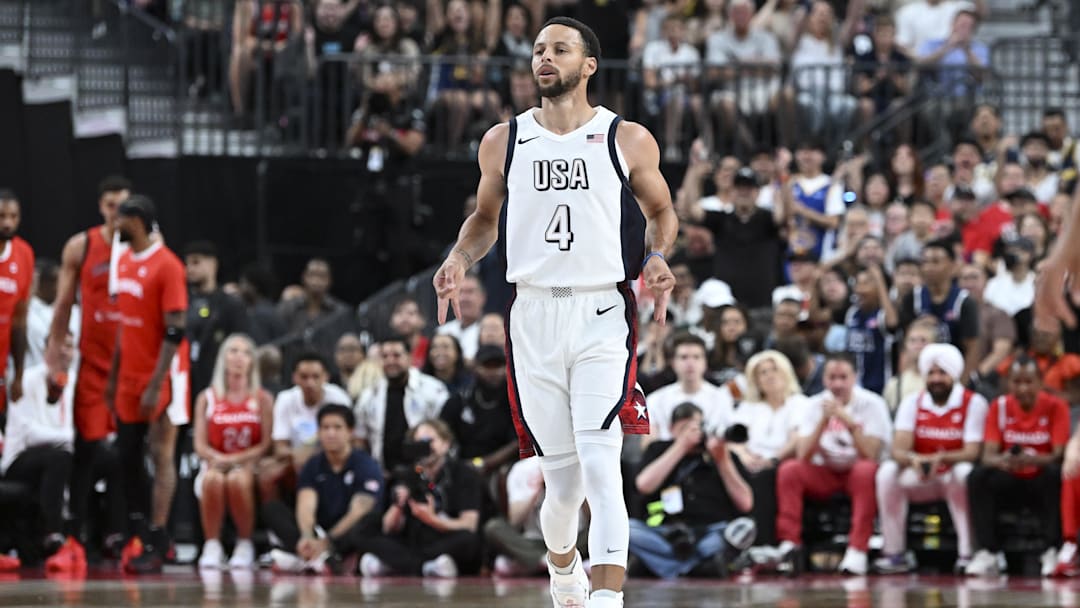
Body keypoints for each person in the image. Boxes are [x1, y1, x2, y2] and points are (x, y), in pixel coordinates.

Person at [431, 15, 678, 608]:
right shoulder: (504, 139)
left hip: (601, 311)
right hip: (532, 316)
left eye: (560, 49)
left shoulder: (627, 137)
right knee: (562, 485)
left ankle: (606, 599)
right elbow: (485, 221)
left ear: (588, 65)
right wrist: (460, 258)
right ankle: (562, 567)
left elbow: (661, 211)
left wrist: (660, 257)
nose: (545, 58)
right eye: (539, 49)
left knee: (602, 463)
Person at [45, 175, 132, 553]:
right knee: (89, 449)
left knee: (129, 453)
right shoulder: (81, 246)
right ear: (101, 206)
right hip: (93, 366)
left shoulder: (144, 248)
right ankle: (76, 534)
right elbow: (63, 304)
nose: (118, 213)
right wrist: (54, 358)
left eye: (124, 206)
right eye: (112, 205)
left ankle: (123, 534)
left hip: (132, 365)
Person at [105, 195, 190, 574]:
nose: (113, 225)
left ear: (136, 221)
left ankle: (157, 536)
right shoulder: (121, 260)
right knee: (126, 453)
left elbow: (175, 330)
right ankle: (142, 529)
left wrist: (157, 384)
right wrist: (113, 376)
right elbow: (125, 324)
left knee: (161, 453)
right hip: (128, 373)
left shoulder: (168, 265)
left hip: (163, 374)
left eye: (119, 219)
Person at [774, 352, 892, 576]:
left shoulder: (873, 404)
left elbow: (871, 454)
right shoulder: (813, 405)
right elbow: (803, 455)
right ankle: (789, 545)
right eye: (832, 377)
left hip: (858, 473)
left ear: (854, 377)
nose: (837, 384)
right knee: (790, 470)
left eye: (843, 377)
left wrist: (849, 422)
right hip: (826, 472)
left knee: (865, 470)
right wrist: (823, 421)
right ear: (824, 380)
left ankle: (857, 549)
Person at [874, 344, 988, 574]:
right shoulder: (912, 402)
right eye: (932, 373)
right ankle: (894, 552)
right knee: (887, 473)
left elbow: (973, 451)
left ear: (954, 375)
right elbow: (898, 449)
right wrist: (913, 459)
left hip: (951, 477)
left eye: (942, 373)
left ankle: (968, 553)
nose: (936, 379)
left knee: (964, 472)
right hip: (922, 474)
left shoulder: (973, 402)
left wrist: (942, 458)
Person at [965, 356, 1069, 577]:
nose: (1022, 388)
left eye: (1028, 381)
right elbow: (987, 455)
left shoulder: (1056, 406)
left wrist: (1032, 459)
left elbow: (1058, 454)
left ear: (1040, 383)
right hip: (1010, 476)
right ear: (1008, 383)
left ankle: (1052, 549)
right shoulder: (999, 406)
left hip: (1040, 477)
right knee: (978, 476)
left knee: (1056, 474)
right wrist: (1005, 461)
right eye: (1016, 381)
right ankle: (988, 552)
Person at [630, 403, 755, 578]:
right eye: (684, 429)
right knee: (629, 529)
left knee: (740, 530)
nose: (693, 435)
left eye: (696, 428)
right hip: (665, 533)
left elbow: (746, 503)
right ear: (672, 430)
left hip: (711, 533)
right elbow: (643, 485)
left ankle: (660, 565)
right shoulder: (658, 449)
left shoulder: (721, 454)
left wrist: (722, 460)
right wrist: (681, 447)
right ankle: (696, 568)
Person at [265, 404, 384, 574]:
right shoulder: (314, 464)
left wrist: (328, 540)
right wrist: (307, 535)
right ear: (319, 432)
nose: (331, 433)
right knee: (273, 509)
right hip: (319, 528)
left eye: (337, 427)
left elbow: (359, 510)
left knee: (367, 522)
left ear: (350, 432)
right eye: (325, 428)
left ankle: (319, 556)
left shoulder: (366, 465)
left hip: (346, 530)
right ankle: (312, 555)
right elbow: (306, 504)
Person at [356, 419, 482, 577]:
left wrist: (432, 520)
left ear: (446, 444)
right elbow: (389, 528)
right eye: (419, 443)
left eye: (430, 441)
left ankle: (400, 565)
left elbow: (469, 525)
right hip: (412, 542)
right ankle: (423, 567)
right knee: (365, 528)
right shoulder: (406, 474)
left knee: (469, 540)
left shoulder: (464, 473)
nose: (425, 448)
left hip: (444, 539)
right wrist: (398, 505)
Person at [192, 334, 273, 570]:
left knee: (237, 480)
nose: (239, 357)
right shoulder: (207, 398)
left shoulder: (262, 398)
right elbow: (199, 444)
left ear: (253, 362)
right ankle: (212, 544)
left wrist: (235, 459)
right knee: (213, 479)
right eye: (233, 351)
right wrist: (217, 459)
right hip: (215, 462)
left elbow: (265, 444)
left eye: (246, 352)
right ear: (223, 358)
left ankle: (244, 543)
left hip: (248, 463)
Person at [0, 330, 76, 566]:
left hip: (54, 454)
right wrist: (68, 437)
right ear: (46, 352)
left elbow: (67, 424)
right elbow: (29, 434)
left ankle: (83, 538)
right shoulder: (26, 379)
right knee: (60, 457)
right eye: (60, 346)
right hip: (17, 460)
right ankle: (52, 532)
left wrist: (68, 438)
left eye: (71, 347)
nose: (66, 352)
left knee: (99, 457)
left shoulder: (70, 381)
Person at [727, 350, 807, 547]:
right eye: (763, 372)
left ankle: (763, 543)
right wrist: (744, 456)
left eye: (774, 370)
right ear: (756, 380)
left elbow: (797, 440)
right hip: (750, 461)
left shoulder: (800, 403)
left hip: (781, 461)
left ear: (786, 373)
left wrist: (772, 460)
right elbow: (732, 440)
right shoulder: (749, 407)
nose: (770, 375)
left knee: (764, 478)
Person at [260, 352, 351, 502]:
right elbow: (279, 448)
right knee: (267, 474)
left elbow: (347, 443)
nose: (310, 383)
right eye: (304, 377)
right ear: (294, 378)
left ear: (326, 377)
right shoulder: (285, 399)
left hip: (332, 459)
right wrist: (299, 457)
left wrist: (305, 455)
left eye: (316, 377)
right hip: (294, 462)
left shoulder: (339, 398)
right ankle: (276, 520)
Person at [355, 334, 449, 470]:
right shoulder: (369, 395)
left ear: (410, 357)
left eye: (396, 355)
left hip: (427, 471)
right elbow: (360, 438)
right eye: (385, 356)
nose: (390, 361)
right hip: (383, 472)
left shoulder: (433, 389)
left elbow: (444, 431)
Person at [899, 239, 979, 381]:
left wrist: (960, 385)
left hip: (954, 376)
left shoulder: (964, 301)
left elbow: (972, 349)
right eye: (925, 262)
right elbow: (905, 346)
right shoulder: (912, 298)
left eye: (935, 262)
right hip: (919, 377)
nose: (929, 267)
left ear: (953, 266)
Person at [184, 241, 250, 397]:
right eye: (187, 263)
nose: (190, 269)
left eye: (196, 262)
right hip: (186, 380)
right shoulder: (182, 301)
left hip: (218, 381)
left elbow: (241, 342)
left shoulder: (231, 304)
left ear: (213, 264)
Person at [644, 333, 733, 445]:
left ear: (705, 362)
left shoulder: (722, 397)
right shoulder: (655, 399)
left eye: (696, 357)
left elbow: (731, 441)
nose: (690, 363)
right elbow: (648, 445)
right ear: (673, 362)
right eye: (684, 357)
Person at [0, 189, 33, 413]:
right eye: (2, 216)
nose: (8, 223)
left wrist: (19, 375)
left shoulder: (24, 254)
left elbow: (20, 320)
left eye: (14, 216)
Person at [845, 265, 898, 395]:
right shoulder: (852, 313)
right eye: (858, 284)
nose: (860, 289)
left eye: (867, 283)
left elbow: (892, 323)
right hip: (854, 387)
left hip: (881, 386)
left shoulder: (882, 314)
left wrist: (879, 280)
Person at [436, 273, 485, 361]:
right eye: (460, 292)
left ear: (482, 297)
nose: (464, 298)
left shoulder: (492, 331)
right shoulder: (443, 331)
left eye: (470, 292)